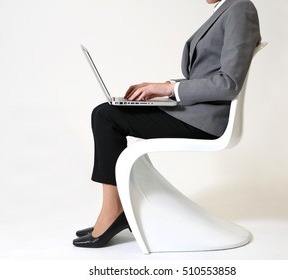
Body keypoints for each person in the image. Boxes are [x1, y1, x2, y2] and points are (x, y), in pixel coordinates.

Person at [73, 0, 261, 248]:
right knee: (108, 112)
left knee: (106, 116)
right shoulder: (223, 10)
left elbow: (228, 83)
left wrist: (170, 89)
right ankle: (114, 210)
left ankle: (113, 212)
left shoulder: (240, 8)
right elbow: (208, 74)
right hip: (194, 111)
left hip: (207, 121)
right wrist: (161, 88)